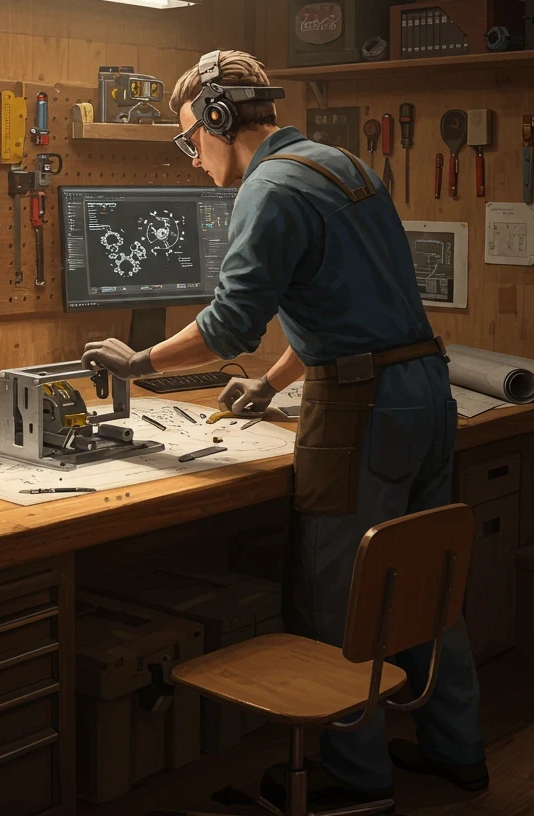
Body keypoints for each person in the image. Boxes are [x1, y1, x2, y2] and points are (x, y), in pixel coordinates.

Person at [81, 50, 486, 814]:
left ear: (217, 120)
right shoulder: (343, 167)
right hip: (425, 392)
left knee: (338, 598)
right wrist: (269, 385)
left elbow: (231, 323)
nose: (192, 156)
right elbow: (344, 306)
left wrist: (139, 362)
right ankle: (456, 752)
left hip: (362, 408)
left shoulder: (266, 188)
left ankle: (356, 779)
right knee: (423, 584)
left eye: (187, 138)